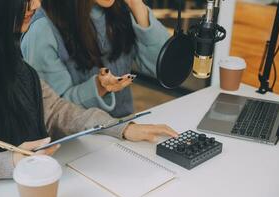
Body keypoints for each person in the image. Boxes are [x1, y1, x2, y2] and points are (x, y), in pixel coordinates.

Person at [0, 0, 178, 183]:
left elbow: (55, 110)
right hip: (35, 174)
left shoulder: (12, 60)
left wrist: (121, 126)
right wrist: (10, 162)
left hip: (56, 166)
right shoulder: (41, 28)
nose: (37, 4)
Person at [21, 0, 170, 117]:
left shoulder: (121, 10)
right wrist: (99, 88)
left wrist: (136, 4)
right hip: (76, 146)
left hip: (125, 132)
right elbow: (54, 111)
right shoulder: (42, 28)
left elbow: (166, 68)